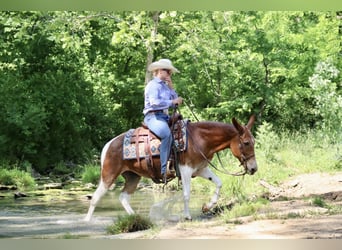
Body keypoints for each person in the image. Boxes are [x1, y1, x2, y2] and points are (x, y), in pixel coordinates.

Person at [143, 59, 183, 182]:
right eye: (168, 71)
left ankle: (178, 166)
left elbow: (176, 101)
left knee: (184, 131)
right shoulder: (153, 85)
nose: (169, 74)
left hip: (164, 116)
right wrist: (172, 102)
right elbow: (154, 103)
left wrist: (171, 88)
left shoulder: (165, 87)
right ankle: (164, 169)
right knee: (166, 135)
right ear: (160, 71)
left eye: (170, 72)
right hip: (153, 116)